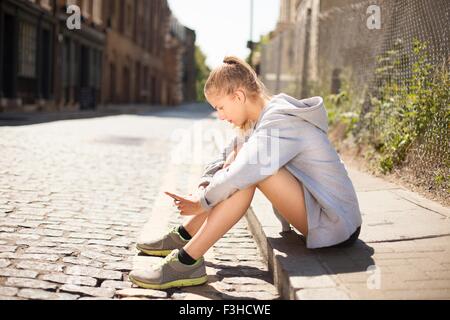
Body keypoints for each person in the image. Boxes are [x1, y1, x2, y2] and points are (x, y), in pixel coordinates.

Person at [129, 56, 362, 290]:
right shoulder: (258, 119)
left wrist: (203, 202)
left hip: (336, 223)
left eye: (220, 107)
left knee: (246, 175)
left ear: (238, 96)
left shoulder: (280, 119)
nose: (220, 115)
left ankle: (186, 261)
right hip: (319, 214)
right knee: (239, 159)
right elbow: (223, 156)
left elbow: (241, 173)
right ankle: (185, 234)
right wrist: (205, 185)